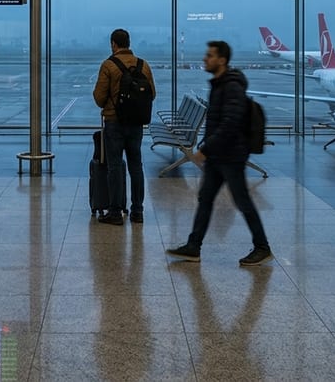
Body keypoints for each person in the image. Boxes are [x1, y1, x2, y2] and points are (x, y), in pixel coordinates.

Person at [167, 41, 272, 266]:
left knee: (242, 200)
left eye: (210, 55)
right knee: (205, 198)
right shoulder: (219, 84)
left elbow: (230, 123)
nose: (205, 58)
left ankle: (262, 247)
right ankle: (194, 245)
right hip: (219, 155)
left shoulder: (231, 86)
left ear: (222, 60)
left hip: (231, 155)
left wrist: (205, 149)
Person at [92, 28, 156, 225]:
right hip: (136, 124)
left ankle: (115, 212)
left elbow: (99, 97)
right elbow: (151, 94)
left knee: (115, 167)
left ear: (113, 44)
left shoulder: (108, 65)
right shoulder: (143, 65)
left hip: (114, 123)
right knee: (136, 167)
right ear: (129, 43)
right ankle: (138, 211)